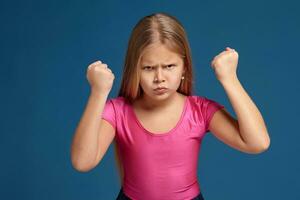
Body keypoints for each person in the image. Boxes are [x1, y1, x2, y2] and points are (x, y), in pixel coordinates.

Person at [70, 12, 271, 200]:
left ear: (184, 67)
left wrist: (230, 79)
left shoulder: (199, 111)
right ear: (135, 70)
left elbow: (258, 142)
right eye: (148, 68)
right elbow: (82, 162)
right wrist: (98, 93)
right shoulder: (118, 111)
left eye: (169, 66)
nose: (160, 78)